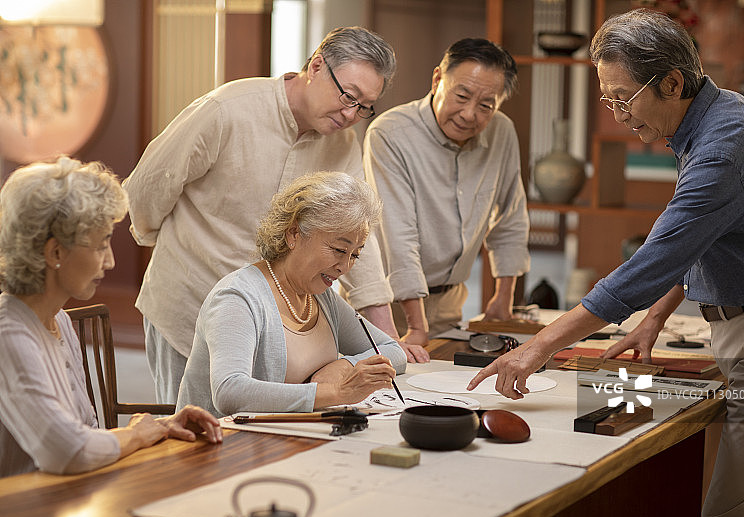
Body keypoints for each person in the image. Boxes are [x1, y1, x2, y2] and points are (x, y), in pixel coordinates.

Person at [468, 9, 744, 517]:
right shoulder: (718, 115)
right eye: (608, 100)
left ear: (672, 83)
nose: (618, 113)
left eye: (623, 98)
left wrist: (537, 348)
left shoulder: (723, 149)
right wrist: (655, 319)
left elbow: (653, 261)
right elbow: (701, 239)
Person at [123, 26, 407, 404]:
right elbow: (148, 187)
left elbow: (357, 236)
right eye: (348, 97)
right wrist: (173, 248)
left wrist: (385, 337)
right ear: (317, 66)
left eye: (364, 106)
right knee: (193, 426)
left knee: (261, 420)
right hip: (190, 298)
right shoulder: (228, 109)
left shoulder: (343, 144)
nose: (351, 113)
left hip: (276, 318)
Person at [0, 157, 222, 478]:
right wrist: (136, 435)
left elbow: (85, 432)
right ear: (55, 252)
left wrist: (159, 427)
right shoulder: (9, 334)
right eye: (102, 244)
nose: (110, 262)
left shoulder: (58, 320)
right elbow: (68, 451)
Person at [176, 171, 406, 416]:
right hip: (227, 438)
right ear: (294, 234)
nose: (345, 266)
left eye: (355, 255)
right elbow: (229, 392)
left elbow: (393, 350)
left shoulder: (319, 296)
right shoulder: (237, 298)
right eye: (339, 250)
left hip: (294, 434)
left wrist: (344, 365)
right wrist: (337, 392)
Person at [360, 37, 530, 349]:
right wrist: (416, 326)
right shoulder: (390, 134)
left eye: (486, 106)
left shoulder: (502, 132)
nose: (469, 114)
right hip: (387, 305)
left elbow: (510, 218)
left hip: (450, 302)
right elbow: (398, 236)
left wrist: (502, 300)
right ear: (438, 79)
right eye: (461, 96)